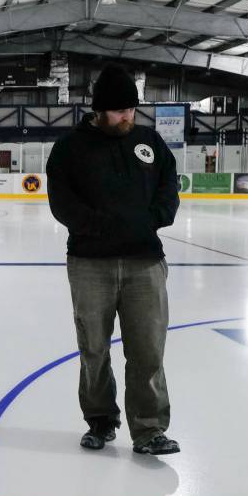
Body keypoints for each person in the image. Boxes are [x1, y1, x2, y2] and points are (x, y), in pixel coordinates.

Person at [46, 64, 181, 456]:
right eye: (119, 111)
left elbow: (168, 193)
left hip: (145, 264)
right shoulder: (70, 147)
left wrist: (148, 222)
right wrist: (102, 227)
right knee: (93, 348)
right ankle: (101, 421)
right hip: (91, 265)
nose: (127, 117)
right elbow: (62, 203)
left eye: (131, 110)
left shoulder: (150, 142)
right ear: (99, 110)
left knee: (148, 350)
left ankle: (150, 429)